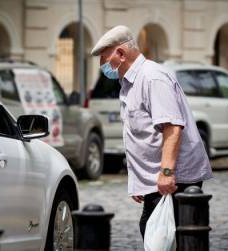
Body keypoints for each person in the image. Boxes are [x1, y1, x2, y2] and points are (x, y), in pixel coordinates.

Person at [91, 25, 213, 240]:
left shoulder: (152, 77)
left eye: (104, 57)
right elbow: (141, 134)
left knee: (165, 238)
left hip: (175, 180)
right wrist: (138, 182)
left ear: (120, 53)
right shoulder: (129, 82)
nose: (102, 65)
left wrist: (167, 173)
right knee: (156, 235)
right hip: (155, 180)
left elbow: (172, 127)